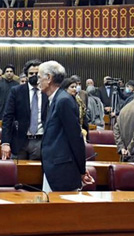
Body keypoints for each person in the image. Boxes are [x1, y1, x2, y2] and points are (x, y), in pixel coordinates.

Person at [39, 61, 93, 192]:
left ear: (49, 78)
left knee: (60, 211)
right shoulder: (54, 99)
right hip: (53, 167)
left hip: (62, 170)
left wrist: (81, 169)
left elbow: (76, 138)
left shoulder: (63, 101)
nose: (37, 81)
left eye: (40, 77)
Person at [1, 59, 48, 160]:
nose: (34, 76)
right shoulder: (16, 91)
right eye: (31, 73)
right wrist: (5, 142)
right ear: (26, 75)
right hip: (19, 140)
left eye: (37, 73)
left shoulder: (47, 92)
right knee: (17, 173)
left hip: (40, 141)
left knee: (35, 174)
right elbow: (8, 117)